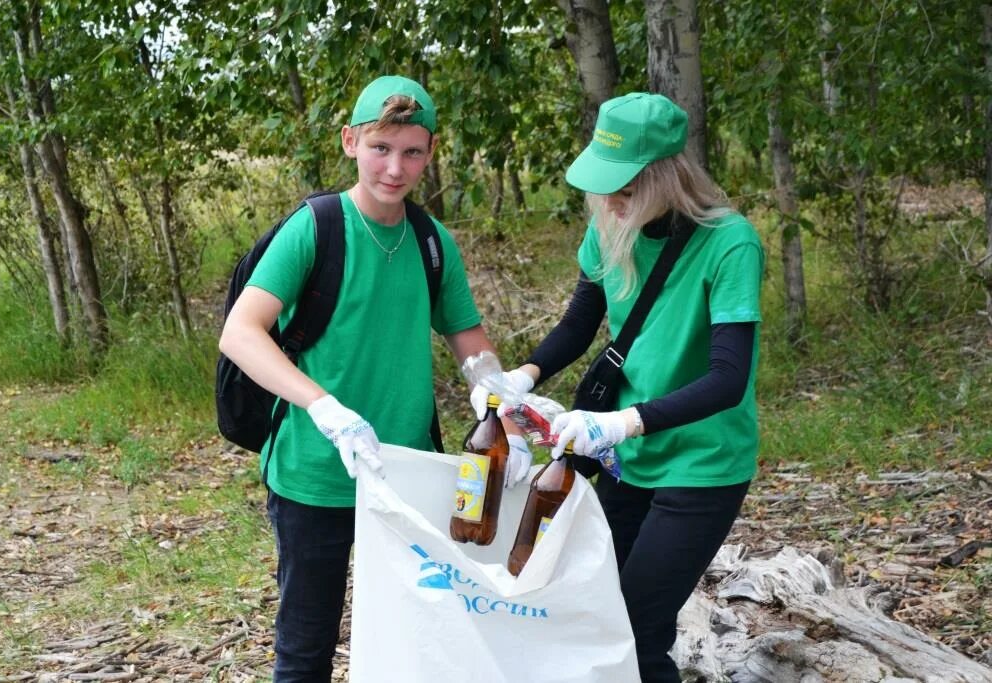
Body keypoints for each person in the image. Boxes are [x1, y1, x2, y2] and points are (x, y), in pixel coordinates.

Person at [218, 75, 531, 682]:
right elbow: (241, 332)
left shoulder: (431, 240)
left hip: (409, 474)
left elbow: (470, 342)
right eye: (380, 148)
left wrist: (506, 413)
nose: (395, 167)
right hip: (316, 472)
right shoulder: (316, 227)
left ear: (430, 153)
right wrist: (323, 407)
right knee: (306, 648)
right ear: (350, 142)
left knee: (417, 638)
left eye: (412, 152)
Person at [485, 92, 763, 682]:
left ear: (667, 177)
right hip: (630, 462)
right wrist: (525, 375)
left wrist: (619, 422)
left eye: (628, 187)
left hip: (702, 463)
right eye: (605, 185)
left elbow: (728, 380)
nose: (612, 201)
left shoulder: (730, 243)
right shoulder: (610, 227)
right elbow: (579, 323)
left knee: (635, 628)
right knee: (598, 613)